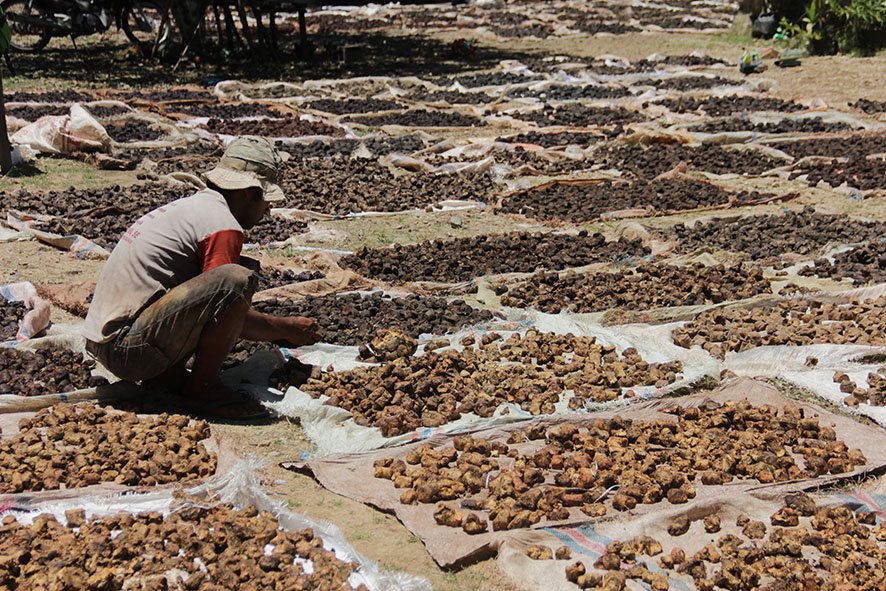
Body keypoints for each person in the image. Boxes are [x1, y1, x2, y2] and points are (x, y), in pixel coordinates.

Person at [83, 136, 321, 421]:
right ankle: (203, 388)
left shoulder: (194, 208)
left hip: (110, 344)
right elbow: (225, 306)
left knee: (238, 271)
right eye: (266, 202)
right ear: (249, 192)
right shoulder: (223, 225)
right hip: (128, 352)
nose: (267, 211)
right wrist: (286, 328)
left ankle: (167, 377)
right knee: (236, 278)